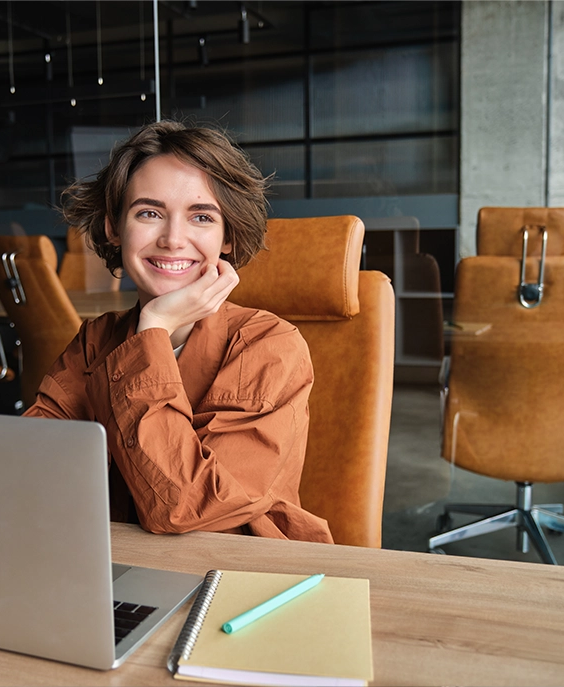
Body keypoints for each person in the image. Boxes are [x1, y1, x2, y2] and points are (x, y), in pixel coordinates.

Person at [23, 121, 333, 544]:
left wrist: (153, 329)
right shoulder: (96, 340)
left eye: (201, 217)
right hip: (113, 568)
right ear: (115, 227)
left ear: (227, 237)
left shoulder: (270, 347)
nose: (172, 239)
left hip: (236, 577)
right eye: (149, 213)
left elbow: (187, 509)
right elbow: (29, 470)